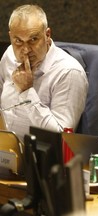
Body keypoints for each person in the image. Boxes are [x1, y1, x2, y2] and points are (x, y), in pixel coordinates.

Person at [0, 4, 88, 141]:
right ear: (10, 37)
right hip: (6, 151)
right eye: (18, 41)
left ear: (47, 35)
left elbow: (61, 137)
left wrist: (26, 92)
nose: (25, 50)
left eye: (33, 40)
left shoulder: (69, 72)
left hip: (40, 160)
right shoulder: (9, 55)